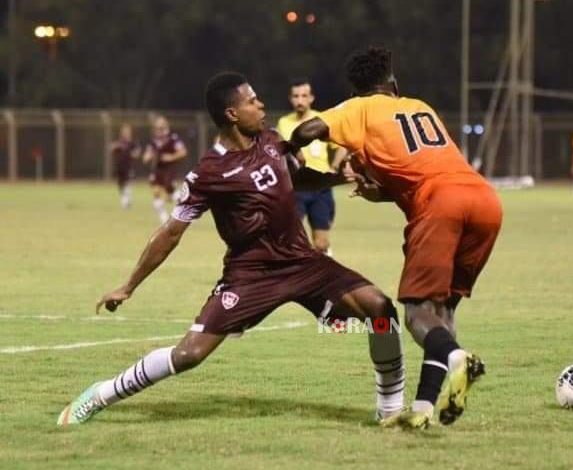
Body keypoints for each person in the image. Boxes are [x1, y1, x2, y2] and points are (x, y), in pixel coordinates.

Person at [57, 72, 405, 427]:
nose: (261, 104)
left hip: (303, 262)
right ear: (232, 114)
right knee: (189, 354)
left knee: (381, 313)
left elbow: (296, 179)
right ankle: (100, 394)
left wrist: (337, 177)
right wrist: (128, 286)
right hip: (250, 276)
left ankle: (390, 410)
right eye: (252, 100)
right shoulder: (209, 172)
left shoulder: (271, 140)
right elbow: (170, 233)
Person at [289, 46, 503, 429]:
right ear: (394, 84)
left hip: (440, 203)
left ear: (358, 92)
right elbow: (422, 166)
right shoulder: (420, 107)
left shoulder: (358, 108)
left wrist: (284, 152)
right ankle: (423, 407)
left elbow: (308, 130)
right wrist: (382, 191)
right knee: (443, 312)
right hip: (483, 199)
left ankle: (457, 358)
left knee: (417, 315)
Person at [277, 78, 348, 256]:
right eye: (295, 96)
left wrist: (334, 166)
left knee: (321, 242)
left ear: (311, 98)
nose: (300, 100)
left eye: (304, 96)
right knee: (293, 238)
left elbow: (341, 145)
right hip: (295, 187)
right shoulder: (283, 123)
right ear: (290, 99)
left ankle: (324, 270)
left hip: (321, 187)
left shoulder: (321, 121)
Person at [142, 116, 188, 223]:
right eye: (156, 127)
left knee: (169, 193)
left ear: (165, 126)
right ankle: (163, 217)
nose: (158, 129)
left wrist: (171, 157)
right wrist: (147, 157)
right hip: (157, 169)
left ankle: (187, 208)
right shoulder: (154, 141)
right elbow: (147, 155)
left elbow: (183, 152)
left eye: (160, 127)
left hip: (169, 170)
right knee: (156, 191)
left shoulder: (173, 138)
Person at [110, 123, 141, 209]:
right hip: (120, 167)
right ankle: (124, 199)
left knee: (128, 183)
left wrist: (134, 154)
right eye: (124, 131)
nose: (125, 133)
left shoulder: (133, 143)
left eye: (127, 131)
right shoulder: (119, 142)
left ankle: (127, 201)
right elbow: (111, 148)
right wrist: (116, 146)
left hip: (129, 166)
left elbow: (137, 152)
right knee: (121, 184)